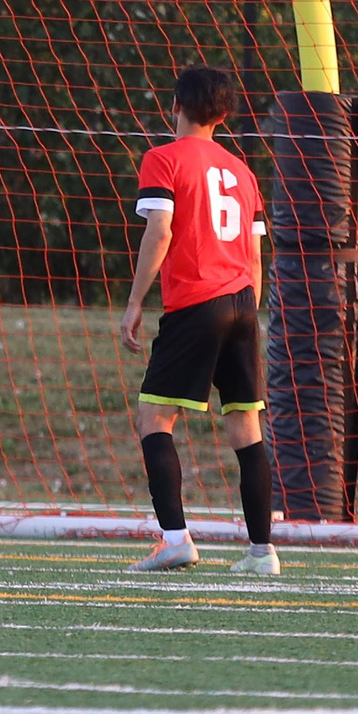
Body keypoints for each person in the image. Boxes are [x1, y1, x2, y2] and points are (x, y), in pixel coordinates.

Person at [118, 63, 279, 576]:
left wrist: (136, 300)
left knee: (154, 419)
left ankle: (175, 540)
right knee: (246, 427)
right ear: (225, 114)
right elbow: (255, 255)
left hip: (196, 304)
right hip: (243, 304)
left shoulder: (162, 158)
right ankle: (261, 553)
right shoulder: (243, 170)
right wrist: (247, 305)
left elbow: (160, 231)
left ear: (176, 106)